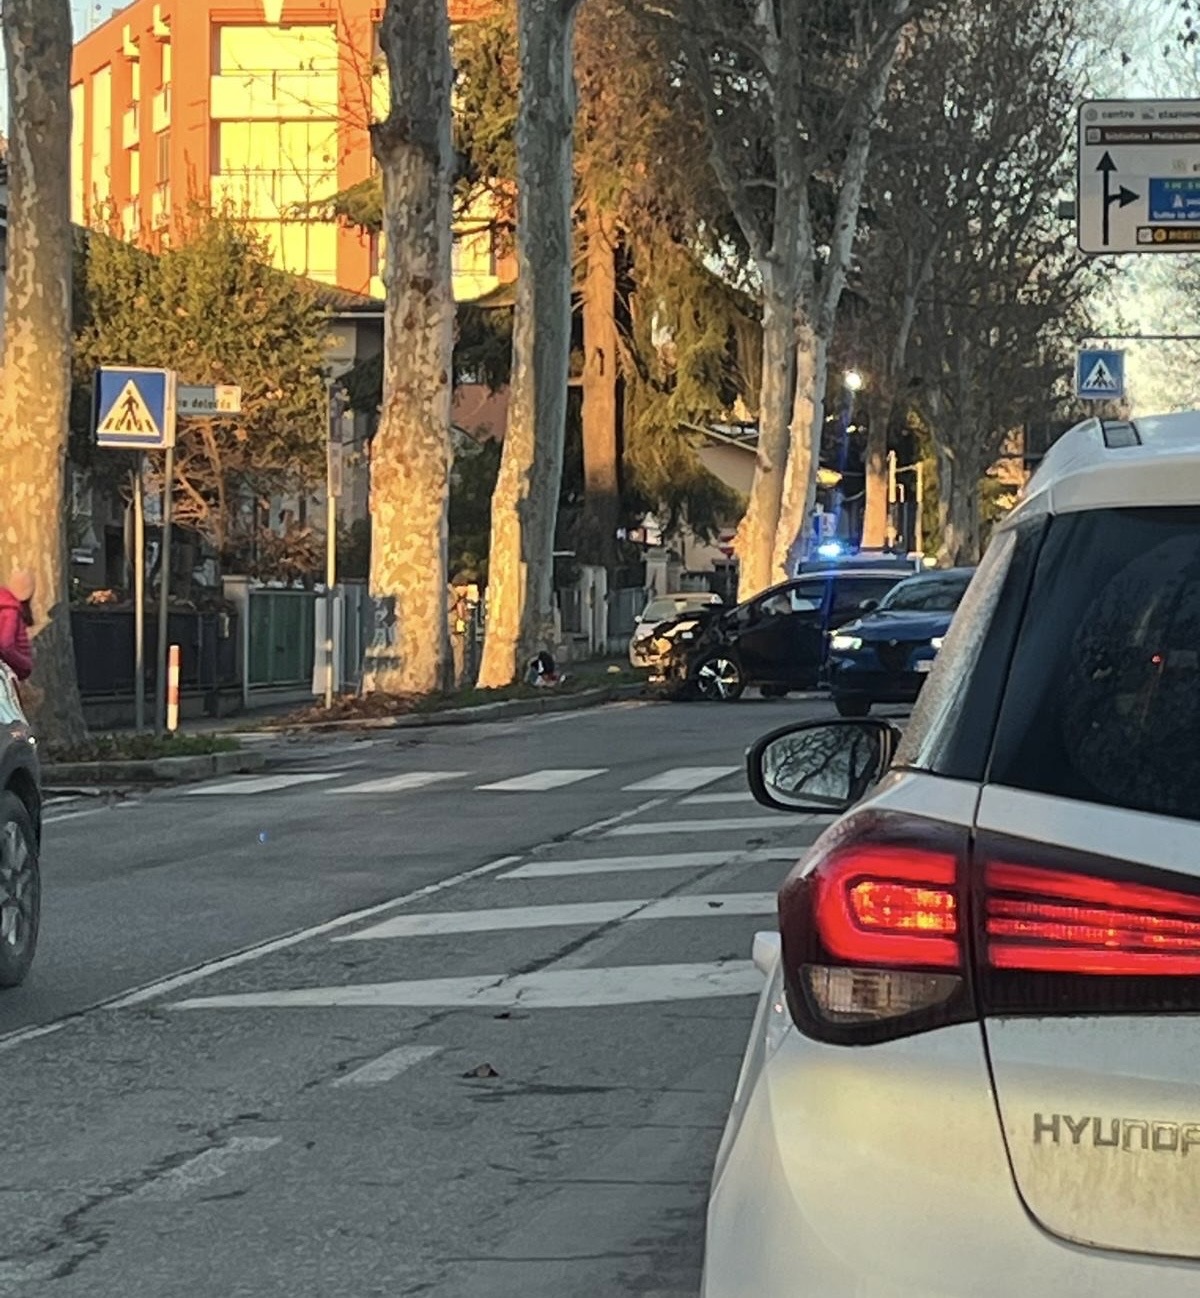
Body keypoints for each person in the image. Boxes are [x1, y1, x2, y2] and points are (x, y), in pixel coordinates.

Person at [0, 570, 35, 681]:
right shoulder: (11, 611)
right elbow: (6, 646)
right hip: (10, 668)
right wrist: (25, 665)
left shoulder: (6, 605)